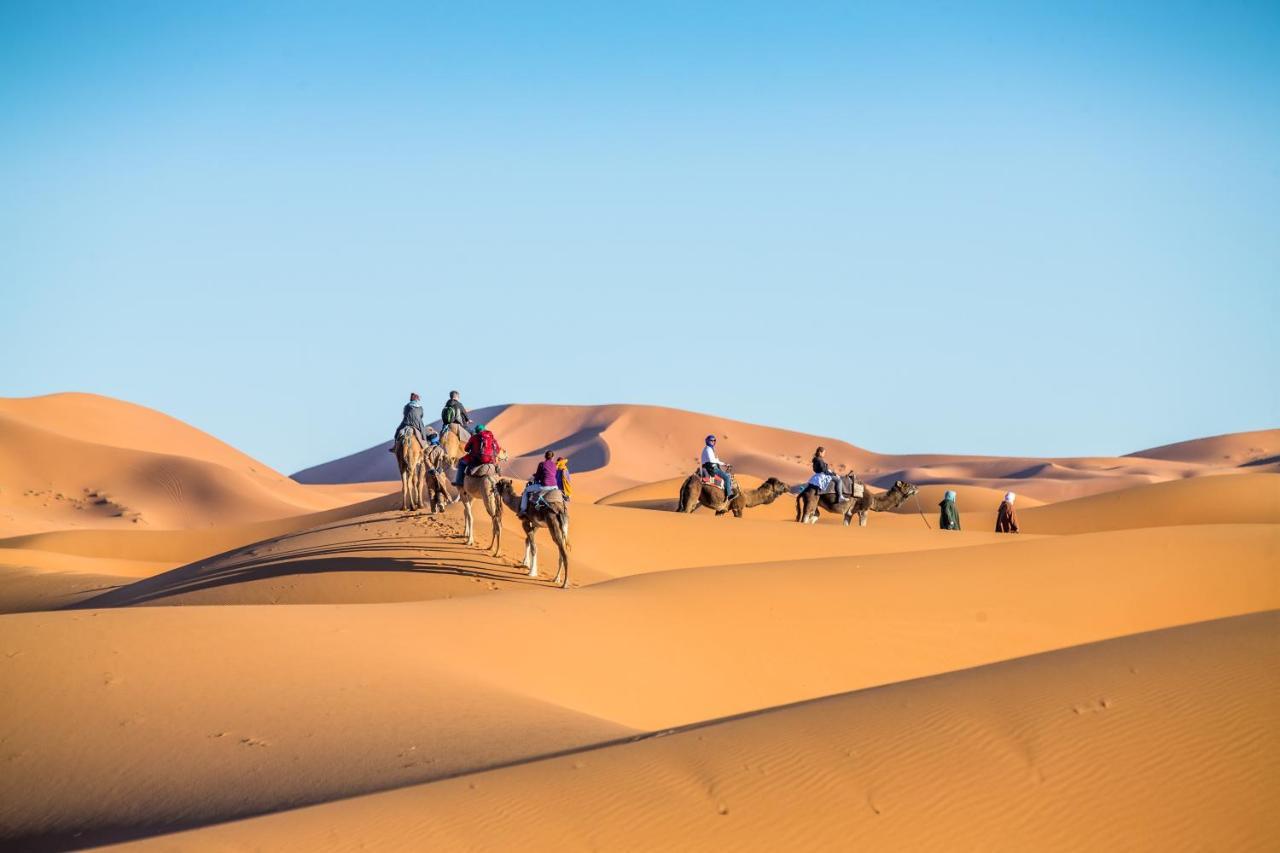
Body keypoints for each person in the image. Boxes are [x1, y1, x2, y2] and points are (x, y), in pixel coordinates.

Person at [521, 451, 559, 515]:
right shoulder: (555, 465)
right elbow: (552, 475)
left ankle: (523, 510)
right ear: (553, 457)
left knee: (526, 490)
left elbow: (537, 477)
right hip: (555, 486)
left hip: (544, 486)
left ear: (545, 456)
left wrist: (535, 476)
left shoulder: (542, 464)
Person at [700, 434, 735, 500]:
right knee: (727, 477)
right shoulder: (708, 449)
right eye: (711, 440)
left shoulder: (710, 449)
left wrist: (724, 464)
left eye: (714, 440)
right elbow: (712, 460)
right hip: (712, 468)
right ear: (708, 441)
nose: (713, 442)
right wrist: (723, 464)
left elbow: (716, 460)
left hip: (711, 467)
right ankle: (729, 495)